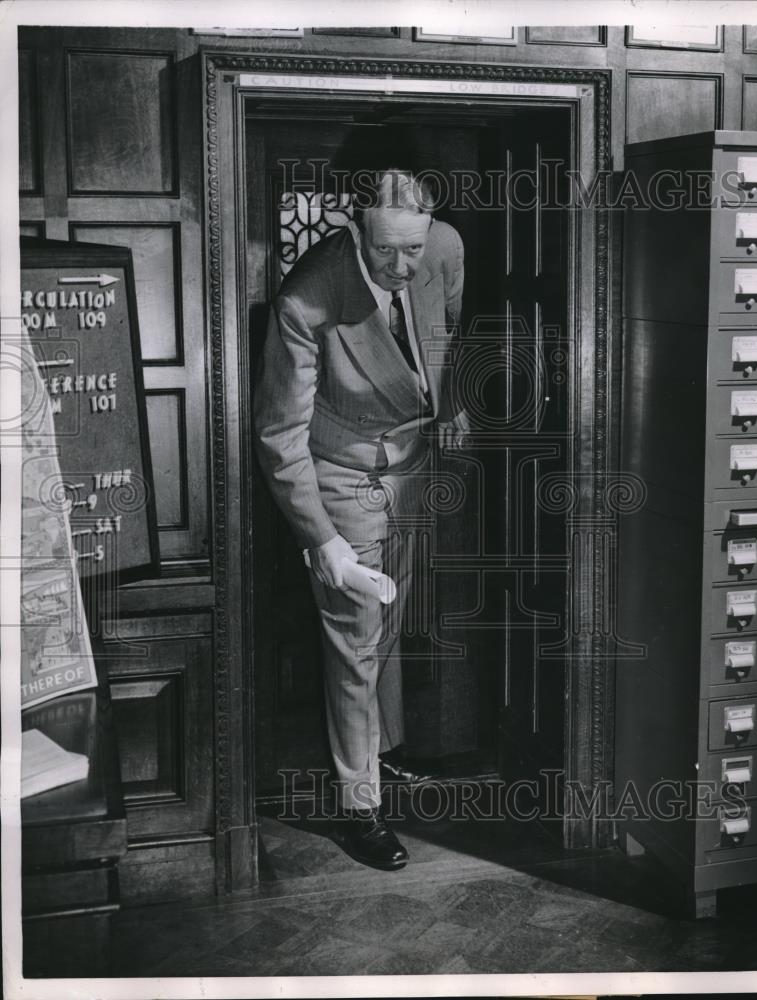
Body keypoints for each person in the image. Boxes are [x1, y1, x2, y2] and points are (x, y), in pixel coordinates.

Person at [253, 168, 467, 871]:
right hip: (342, 478)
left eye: (414, 249)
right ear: (354, 229)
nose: (403, 268)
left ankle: (384, 752)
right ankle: (357, 805)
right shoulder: (307, 299)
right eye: (385, 254)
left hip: (409, 469)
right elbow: (280, 435)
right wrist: (319, 538)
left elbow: (443, 339)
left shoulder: (440, 250)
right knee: (354, 641)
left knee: (389, 624)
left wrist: (450, 400)